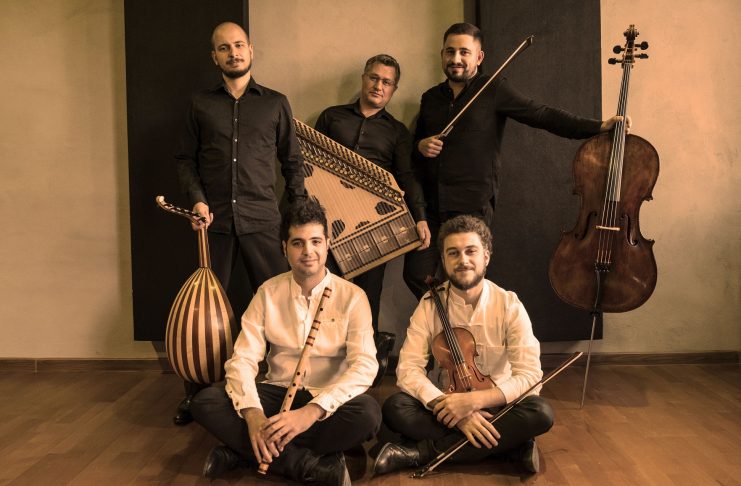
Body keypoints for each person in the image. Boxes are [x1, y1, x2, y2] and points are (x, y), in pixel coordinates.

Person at [403, 22, 629, 299]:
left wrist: (598, 126)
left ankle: (457, 325)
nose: (456, 59)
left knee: (466, 280)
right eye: (450, 52)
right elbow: (414, 150)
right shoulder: (430, 98)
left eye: (464, 52)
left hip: (471, 206)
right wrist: (421, 145)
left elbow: (542, 115)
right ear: (442, 55)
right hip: (430, 207)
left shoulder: (494, 89)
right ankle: (448, 320)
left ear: (479, 57)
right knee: (416, 274)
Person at [190, 199, 381, 485]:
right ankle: (308, 464)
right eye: (298, 243)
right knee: (206, 401)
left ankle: (244, 452)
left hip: (327, 401)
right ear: (284, 248)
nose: (308, 251)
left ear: (328, 244)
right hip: (278, 393)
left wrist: (311, 412)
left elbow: (365, 366)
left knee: (368, 415)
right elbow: (242, 359)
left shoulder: (353, 297)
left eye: (316, 241)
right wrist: (254, 415)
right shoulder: (267, 293)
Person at [174, 21, 306, 425]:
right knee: (205, 316)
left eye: (239, 45)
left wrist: (298, 217)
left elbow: (293, 162)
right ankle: (198, 396)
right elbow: (185, 160)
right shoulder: (200, 104)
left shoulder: (275, 103)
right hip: (213, 225)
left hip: (264, 221)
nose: (233, 53)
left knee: (280, 310)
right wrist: (197, 200)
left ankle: (283, 389)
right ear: (214, 57)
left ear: (250, 50)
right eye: (224, 48)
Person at [373, 215, 552, 476]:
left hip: (498, 404)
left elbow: (530, 376)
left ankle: (421, 453)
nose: (463, 260)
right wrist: (458, 412)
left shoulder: (509, 305)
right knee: (395, 408)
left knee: (540, 412)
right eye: (453, 253)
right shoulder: (429, 305)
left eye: (471, 251)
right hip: (448, 405)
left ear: (486, 256)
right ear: (444, 260)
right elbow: (408, 370)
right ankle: (510, 447)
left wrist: (474, 401)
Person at [314, 53, 431, 386]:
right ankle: (321, 365)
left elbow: (406, 177)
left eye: (387, 82)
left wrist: (420, 218)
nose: (379, 86)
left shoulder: (397, 132)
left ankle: (361, 369)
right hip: (328, 224)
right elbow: (307, 165)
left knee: (367, 298)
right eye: (374, 78)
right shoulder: (331, 117)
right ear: (364, 78)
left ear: (393, 89)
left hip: (371, 228)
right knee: (324, 293)